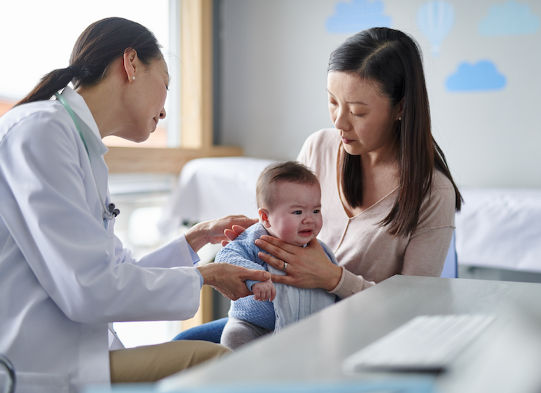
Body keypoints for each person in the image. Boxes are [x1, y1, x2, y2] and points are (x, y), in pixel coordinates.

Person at [0, 17, 270, 393]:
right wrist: (206, 277)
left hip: (76, 351)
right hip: (38, 363)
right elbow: (91, 290)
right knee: (219, 364)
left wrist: (193, 241)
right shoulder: (40, 131)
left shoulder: (81, 147)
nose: (164, 112)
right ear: (130, 64)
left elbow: (114, 275)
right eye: (165, 83)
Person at [175, 26, 462, 342]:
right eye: (333, 102)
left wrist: (335, 279)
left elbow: (411, 309)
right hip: (279, 317)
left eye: (357, 111)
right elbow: (282, 225)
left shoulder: (432, 193)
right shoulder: (319, 148)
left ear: (401, 108)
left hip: (356, 335)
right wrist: (256, 243)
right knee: (184, 348)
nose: (339, 122)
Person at [217, 161, 337, 349]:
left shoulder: (319, 251)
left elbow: (333, 282)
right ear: (265, 218)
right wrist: (256, 277)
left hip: (302, 329)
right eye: (297, 212)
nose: (309, 219)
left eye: (316, 210)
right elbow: (226, 256)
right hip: (253, 324)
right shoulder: (255, 239)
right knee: (233, 338)